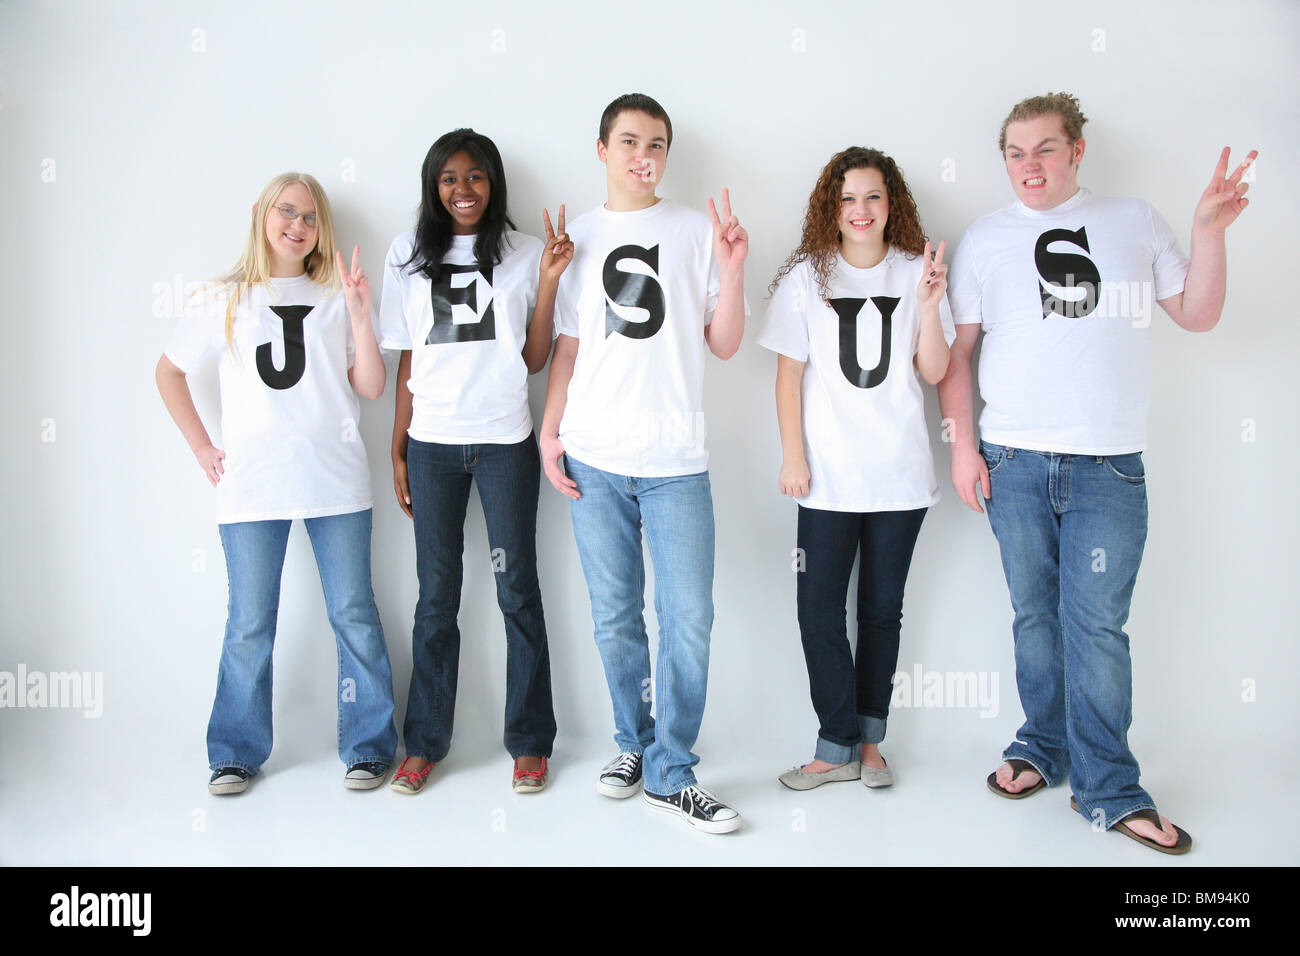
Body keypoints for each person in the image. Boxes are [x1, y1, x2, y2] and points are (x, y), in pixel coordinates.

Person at [939, 92, 1256, 854]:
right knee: (1034, 616)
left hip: (1108, 468)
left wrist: (1209, 231)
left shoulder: (1134, 220)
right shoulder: (985, 239)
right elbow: (957, 358)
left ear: (1076, 151)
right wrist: (961, 447)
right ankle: (1042, 746)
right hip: (1011, 460)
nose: (1029, 167)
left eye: (1045, 149)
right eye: (1015, 153)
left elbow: (1200, 312)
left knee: (1096, 628)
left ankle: (1109, 787)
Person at [540, 93, 748, 833]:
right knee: (615, 619)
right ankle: (632, 744)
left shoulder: (695, 230)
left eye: (656, 144)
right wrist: (549, 430)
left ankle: (672, 768)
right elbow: (568, 347)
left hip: (675, 461)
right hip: (594, 457)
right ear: (602, 148)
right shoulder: (580, 239)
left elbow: (723, 343)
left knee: (688, 618)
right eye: (629, 141)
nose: (643, 155)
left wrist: (733, 267)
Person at [156, 171, 398, 795]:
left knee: (353, 611)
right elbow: (168, 373)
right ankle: (235, 751)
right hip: (253, 486)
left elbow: (370, 387)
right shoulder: (222, 299)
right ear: (263, 216)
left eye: (311, 217)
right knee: (249, 621)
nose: (298, 225)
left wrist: (361, 316)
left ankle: (368, 746)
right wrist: (202, 447)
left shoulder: (333, 296)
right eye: (287, 212)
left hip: (334, 479)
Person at [757, 147, 953, 792]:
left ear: (891, 204)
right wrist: (793, 456)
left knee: (880, 612)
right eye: (847, 199)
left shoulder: (914, 270)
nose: (860, 210)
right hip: (827, 478)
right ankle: (833, 741)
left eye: (872, 197)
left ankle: (871, 743)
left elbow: (934, 371)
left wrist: (928, 305)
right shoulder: (806, 279)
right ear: (830, 209)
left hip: (899, 474)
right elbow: (789, 375)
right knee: (817, 611)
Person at [380, 129, 568, 795]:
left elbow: (536, 356)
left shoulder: (523, 253)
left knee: (518, 591)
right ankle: (424, 743)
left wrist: (548, 282)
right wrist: (397, 446)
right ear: (434, 186)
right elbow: (407, 357)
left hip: (505, 443)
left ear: (495, 183)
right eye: (450, 178)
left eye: (477, 176)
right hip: (432, 446)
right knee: (436, 600)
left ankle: (530, 743)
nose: (464, 189)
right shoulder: (406, 255)